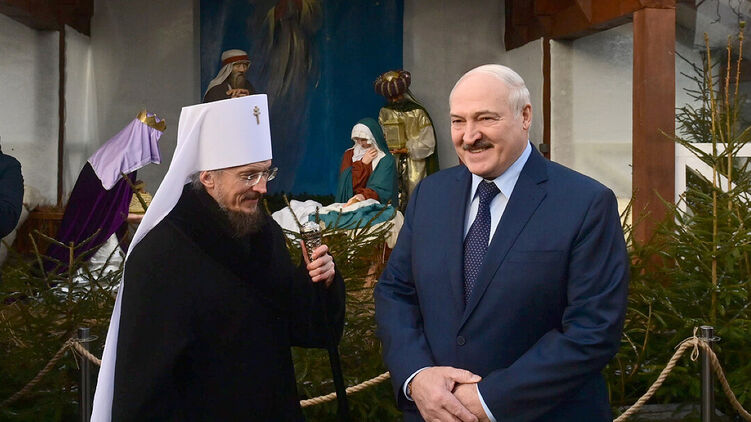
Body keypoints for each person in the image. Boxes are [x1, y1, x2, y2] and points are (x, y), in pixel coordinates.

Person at [374, 64, 629, 421]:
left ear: (525, 116)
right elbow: (395, 292)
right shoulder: (430, 194)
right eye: (458, 121)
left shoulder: (585, 203)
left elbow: (593, 330)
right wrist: (417, 376)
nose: (469, 136)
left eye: (485, 118)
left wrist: (487, 400)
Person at [91, 95, 345, 421]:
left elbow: (300, 326)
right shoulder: (161, 254)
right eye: (248, 176)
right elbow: (144, 388)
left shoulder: (263, 232)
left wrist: (320, 280)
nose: (262, 188)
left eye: (266, 173)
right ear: (208, 177)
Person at [44, 110, 164, 273]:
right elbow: (112, 207)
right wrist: (142, 217)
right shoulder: (123, 158)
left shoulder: (118, 150)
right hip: (97, 224)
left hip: (91, 215)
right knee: (103, 261)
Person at [375, 70, 439, 209]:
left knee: (416, 196)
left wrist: (407, 149)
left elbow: (429, 142)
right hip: (393, 161)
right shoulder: (385, 112)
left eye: (396, 96)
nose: (394, 100)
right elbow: (381, 136)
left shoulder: (418, 112)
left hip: (415, 164)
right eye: (390, 97)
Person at [335, 118, 398, 207]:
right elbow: (346, 184)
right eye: (357, 139)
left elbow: (382, 189)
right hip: (347, 203)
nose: (360, 143)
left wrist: (363, 196)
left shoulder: (385, 159)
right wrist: (362, 164)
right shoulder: (349, 154)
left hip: (373, 207)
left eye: (363, 139)